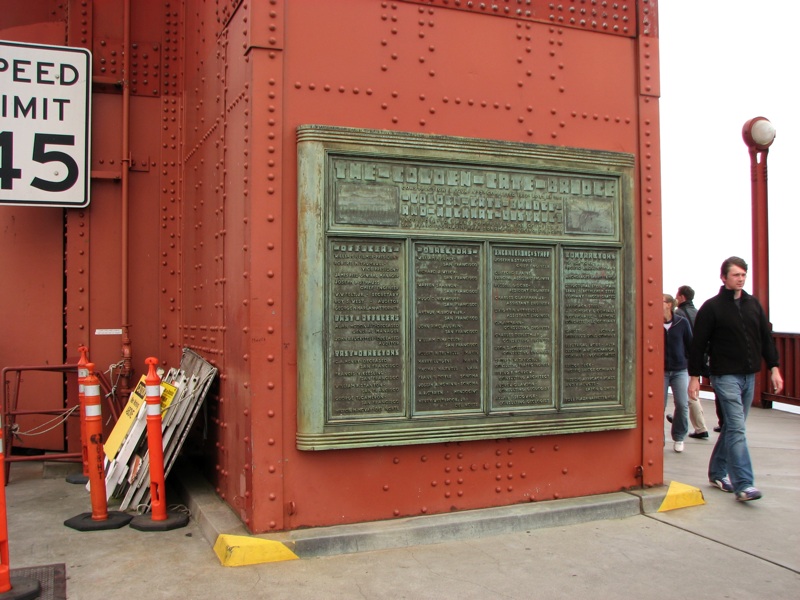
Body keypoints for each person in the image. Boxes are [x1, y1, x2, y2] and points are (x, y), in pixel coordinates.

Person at [687, 256, 783, 502]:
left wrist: (774, 367)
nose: (740, 279)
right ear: (724, 278)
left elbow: (765, 336)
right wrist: (695, 376)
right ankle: (744, 484)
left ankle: (717, 472)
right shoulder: (712, 307)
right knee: (738, 428)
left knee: (732, 428)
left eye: (743, 275)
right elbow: (698, 344)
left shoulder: (753, 305)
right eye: (735, 275)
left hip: (749, 375)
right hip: (724, 376)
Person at [674, 285, 710, 439]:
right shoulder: (699, 313)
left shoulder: (679, 314)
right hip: (699, 357)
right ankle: (689, 422)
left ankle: (700, 427)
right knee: (691, 392)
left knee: (689, 394)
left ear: (682, 297)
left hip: (686, 359)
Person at [663, 293, 692, 452]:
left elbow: (690, 345)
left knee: (682, 404)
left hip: (680, 369)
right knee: (658, 406)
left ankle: (679, 436)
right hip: (661, 371)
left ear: (668, 304)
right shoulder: (652, 323)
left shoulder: (682, 323)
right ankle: (658, 437)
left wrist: (689, 366)